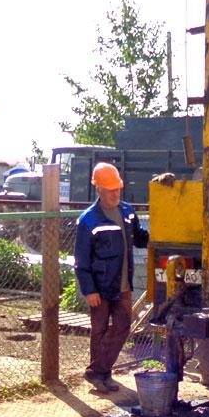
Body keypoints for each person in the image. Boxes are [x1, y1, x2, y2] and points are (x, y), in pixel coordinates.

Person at [74, 162, 149, 392]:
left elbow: (139, 238)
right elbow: (81, 260)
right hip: (100, 286)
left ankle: (97, 372)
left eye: (117, 189)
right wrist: (89, 290)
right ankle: (102, 375)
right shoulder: (88, 220)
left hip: (122, 285)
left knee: (123, 327)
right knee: (99, 331)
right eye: (111, 190)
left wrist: (160, 236)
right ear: (99, 190)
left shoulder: (127, 212)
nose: (116, 194)